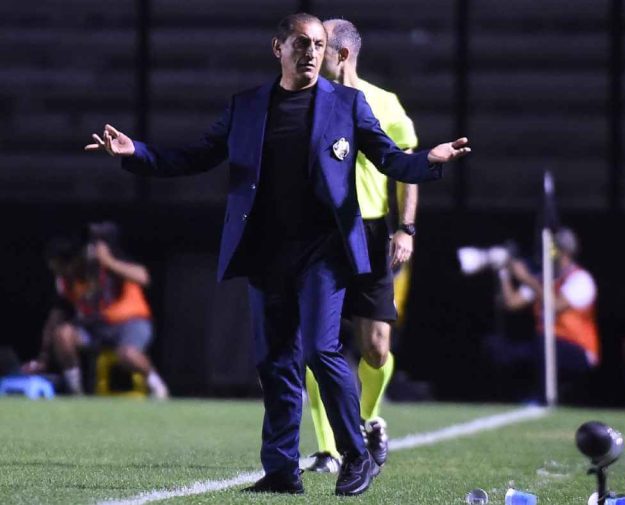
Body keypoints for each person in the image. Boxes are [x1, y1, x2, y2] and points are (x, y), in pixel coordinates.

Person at [83, 12, 470, 496]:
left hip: (325, 251)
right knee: (275, 361)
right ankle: (282, 470)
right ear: (278, 48)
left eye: (318, 44)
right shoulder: (247, 107)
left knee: (319, 349)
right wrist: (135, 151)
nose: (310, 52)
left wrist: (426, 163)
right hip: (266, 252)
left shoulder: (347, 104)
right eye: (301, 43)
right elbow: (196, 156)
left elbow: (388, 157)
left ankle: (355, 454)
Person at [302, 18, 419, 474]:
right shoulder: (304, 101)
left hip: (369, 234)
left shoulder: (385, 104)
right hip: (318, 233)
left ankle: (367, 421)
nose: (311, 54)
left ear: (343, 55)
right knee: (317, 343)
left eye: (321, 46)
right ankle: (328, 449)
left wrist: (406, 229)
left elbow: (407, 167)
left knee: (375, 347)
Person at [22, 228, 168, 399]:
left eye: (63, 267)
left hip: (130, 323)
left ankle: (158, 387)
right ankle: (76, 393)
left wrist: (109, 262)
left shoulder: (105, 263)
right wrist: (43, 357)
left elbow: (144, 277)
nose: (62, 274)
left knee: (127, 354)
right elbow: (56, 317)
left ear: (75, 260)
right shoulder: (65, 282)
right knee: (63, 334)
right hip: (96, 330)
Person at [497, 228, 599, 402]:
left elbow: (554, 305)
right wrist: (504, 272)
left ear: (564, 252)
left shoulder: (581, 279)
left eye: (552, 249)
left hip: (578, 349)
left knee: (544, 344)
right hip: (546, 344)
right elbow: (511, 303)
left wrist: (527, 278)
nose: (548, 253)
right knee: (501, 349)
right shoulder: (545, 278)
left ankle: (542, 397)